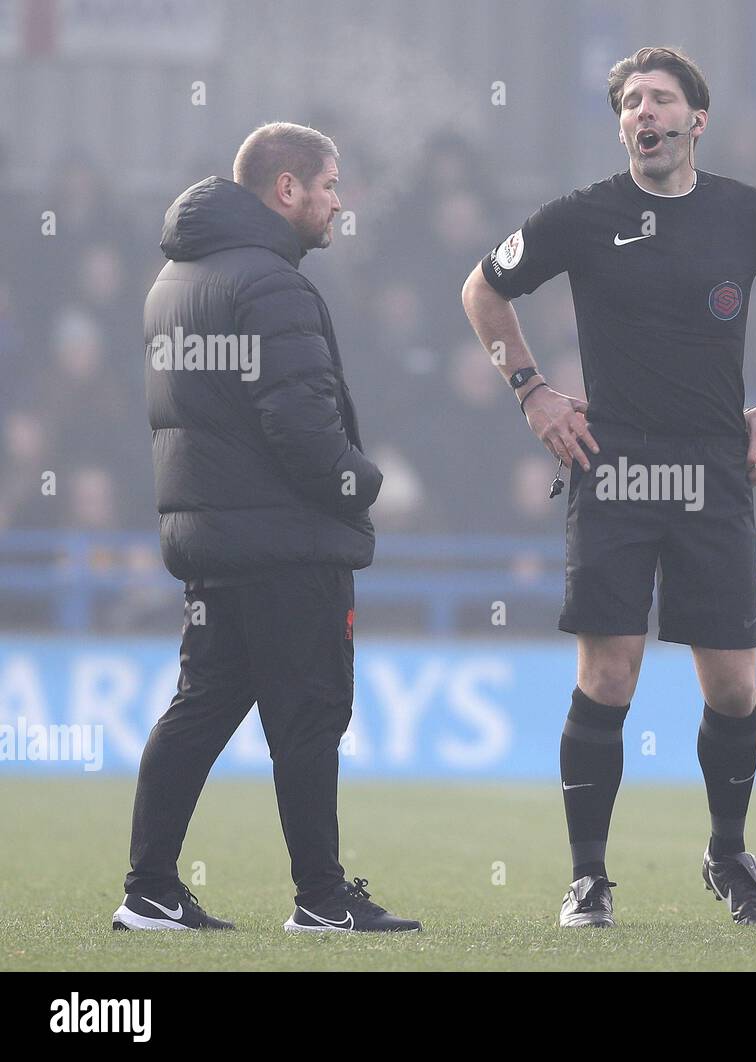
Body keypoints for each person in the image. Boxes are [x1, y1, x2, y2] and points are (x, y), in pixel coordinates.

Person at [462, 46, 756, 928]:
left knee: (734, 688)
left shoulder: (755, 216)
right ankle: (587, 876)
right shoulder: (583, 216)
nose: (643, 113)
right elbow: (482, 290)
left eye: (661, 100)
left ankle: (728, 853)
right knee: (608, 676)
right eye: (630, 102)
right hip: (614, 462)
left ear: (695, 121)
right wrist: (531, 390)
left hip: (714, 463)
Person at [114, 122, 420, 934]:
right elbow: (301, 429)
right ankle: (320, 901)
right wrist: (368, 484)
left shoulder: (172, 282)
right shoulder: (270, 285)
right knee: (311, 715)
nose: (336, 202)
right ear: (286, 189)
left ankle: (148, 890)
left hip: (212, 542)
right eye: (329, 186)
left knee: (203, 704)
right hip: (285, 544)